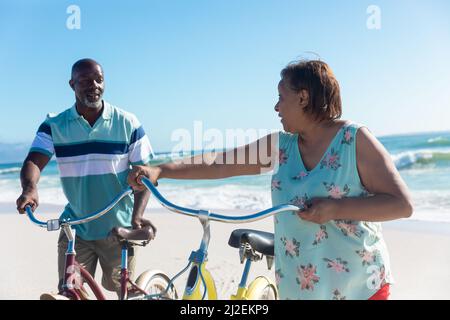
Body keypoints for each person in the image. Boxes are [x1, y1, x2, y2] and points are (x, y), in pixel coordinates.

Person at [128, 60, 413, 300]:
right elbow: (219, 164)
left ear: (303, 97)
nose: (276, 107)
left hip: (359, 287)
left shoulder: (354, 139)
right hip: (301, 288)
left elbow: (401, 204)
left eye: (281, 97)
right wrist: (160, 170)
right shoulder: (283, 146)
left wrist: (335, 209)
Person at [16, 58, 157, 295]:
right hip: (76, 229)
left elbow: (147, 176)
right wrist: (30, 189)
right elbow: (34, 161)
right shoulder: (54, 124)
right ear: (72, 84)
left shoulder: (127, 122)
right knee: (71, 292)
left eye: (99, 79)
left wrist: (137, 217)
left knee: (123, 291)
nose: (94, 85)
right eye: (85, 80)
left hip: (118, 229)